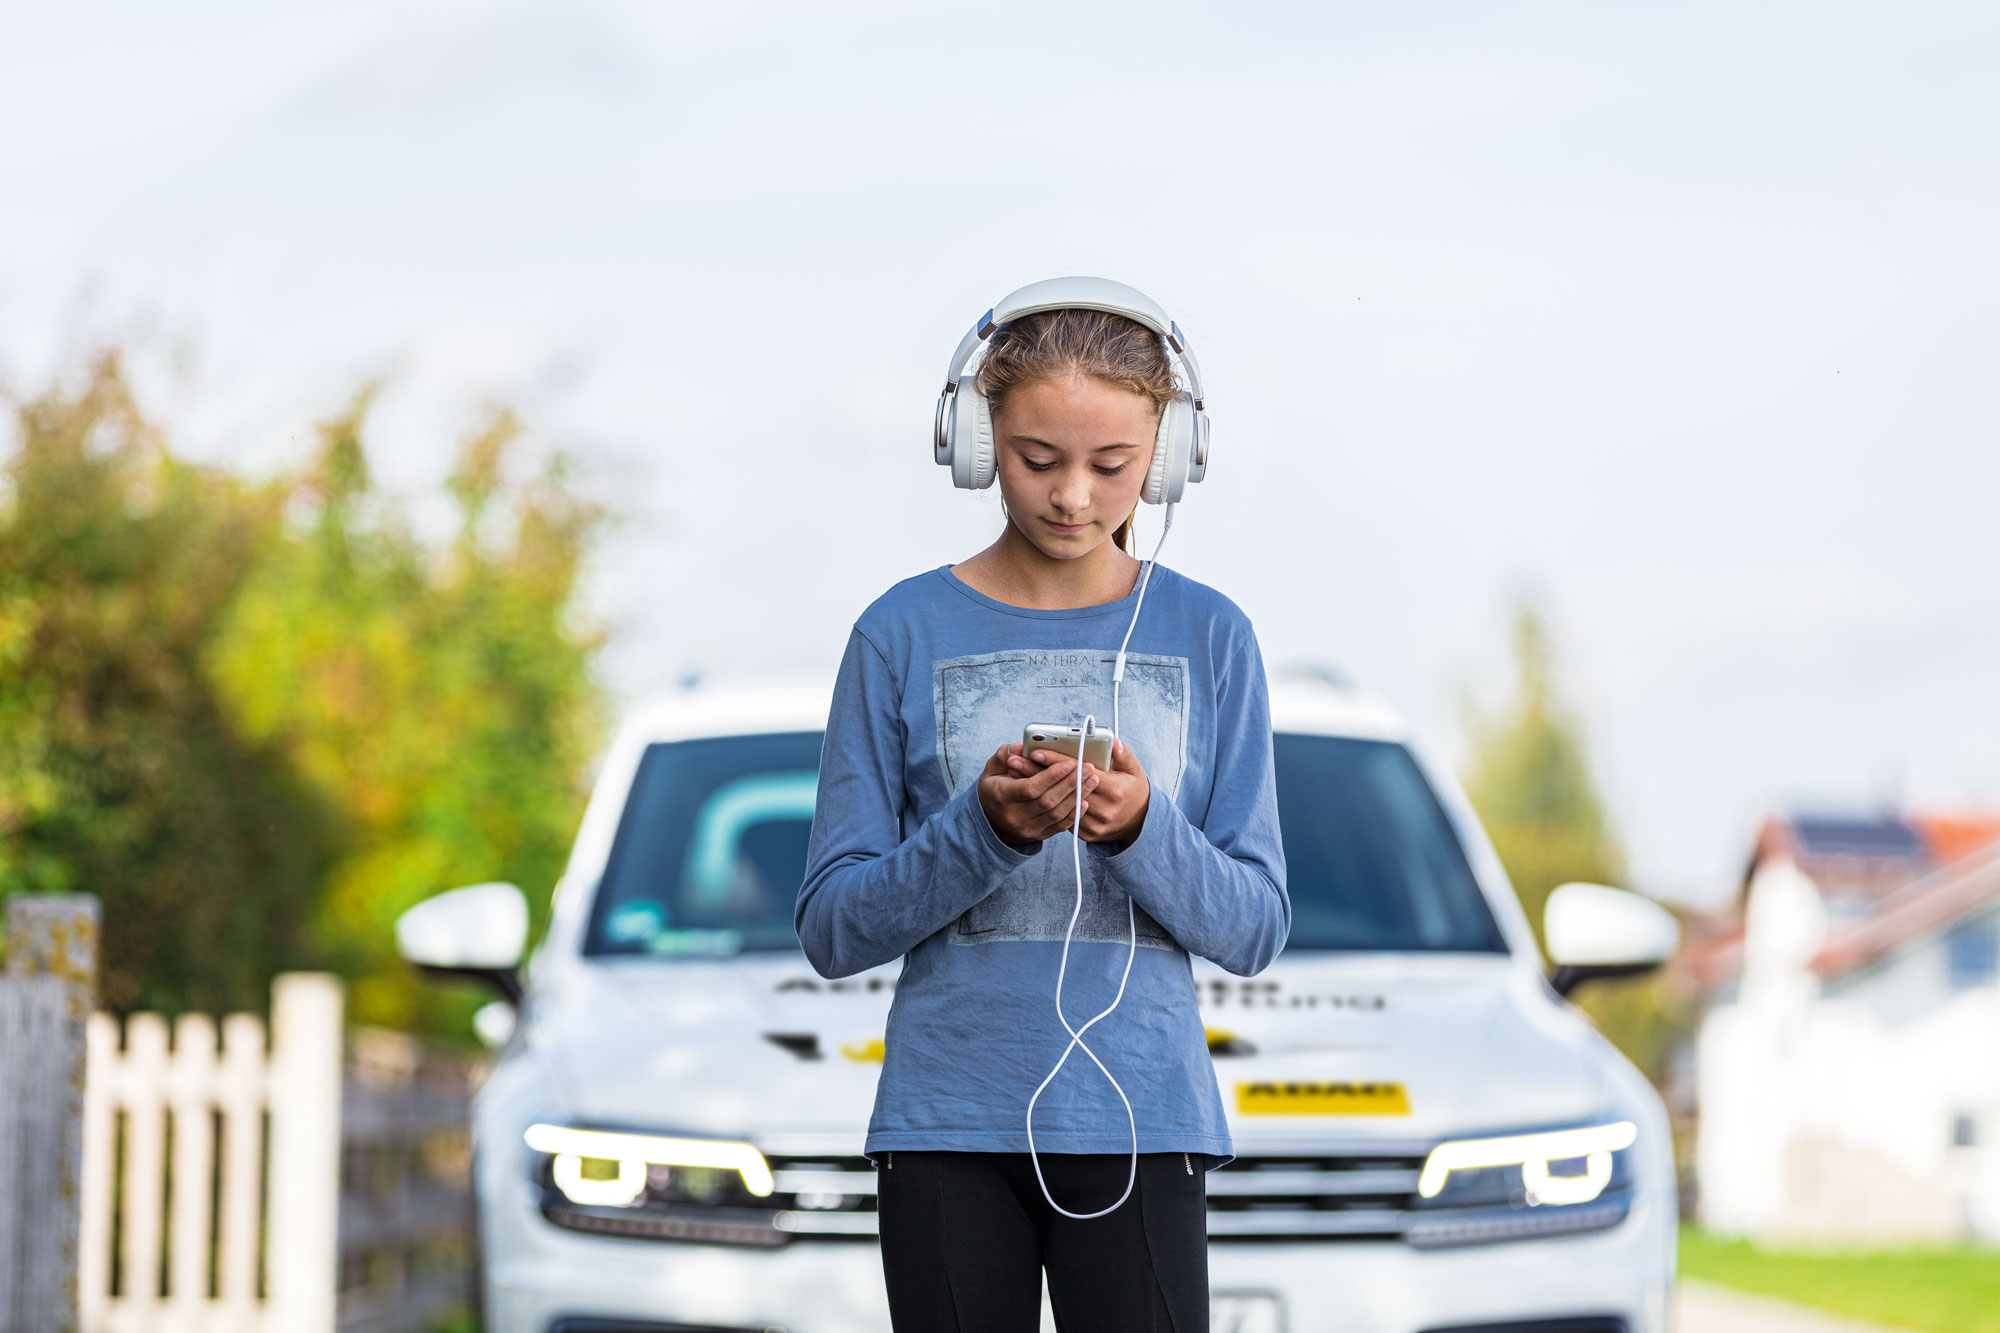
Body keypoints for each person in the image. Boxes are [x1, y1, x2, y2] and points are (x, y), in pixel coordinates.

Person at [797, 277, 1289, 1333]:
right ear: (977, 442)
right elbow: (833, 929)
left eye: (1111, 466)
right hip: (943, 1127)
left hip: (1144, 1123)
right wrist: (984, 831)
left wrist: (1140, 829)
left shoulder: (1211, 636)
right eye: (1035, 459)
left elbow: (1253, 928)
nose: (1072, 496)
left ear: (1164, 456)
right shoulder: (895, 632)